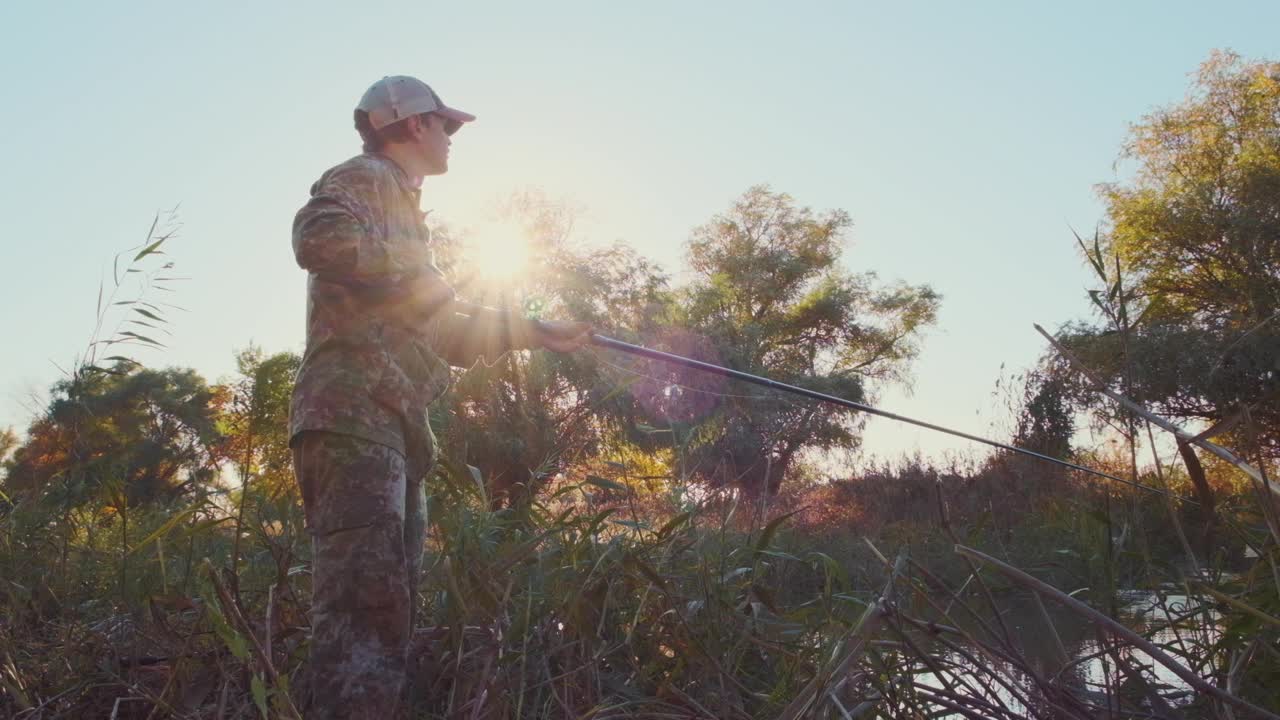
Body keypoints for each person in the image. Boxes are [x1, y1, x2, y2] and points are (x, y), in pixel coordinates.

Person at [288, 75, 592, 718]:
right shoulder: (367, 176)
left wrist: (535, 332)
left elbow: (445, 327)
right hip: (351, 416)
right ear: (411, 124)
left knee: (386, 608)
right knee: (362, 610)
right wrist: (416, 272)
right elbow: (315, 239)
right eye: (444, 125)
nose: (452, 138)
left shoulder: (403, 208)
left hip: (392, 425)